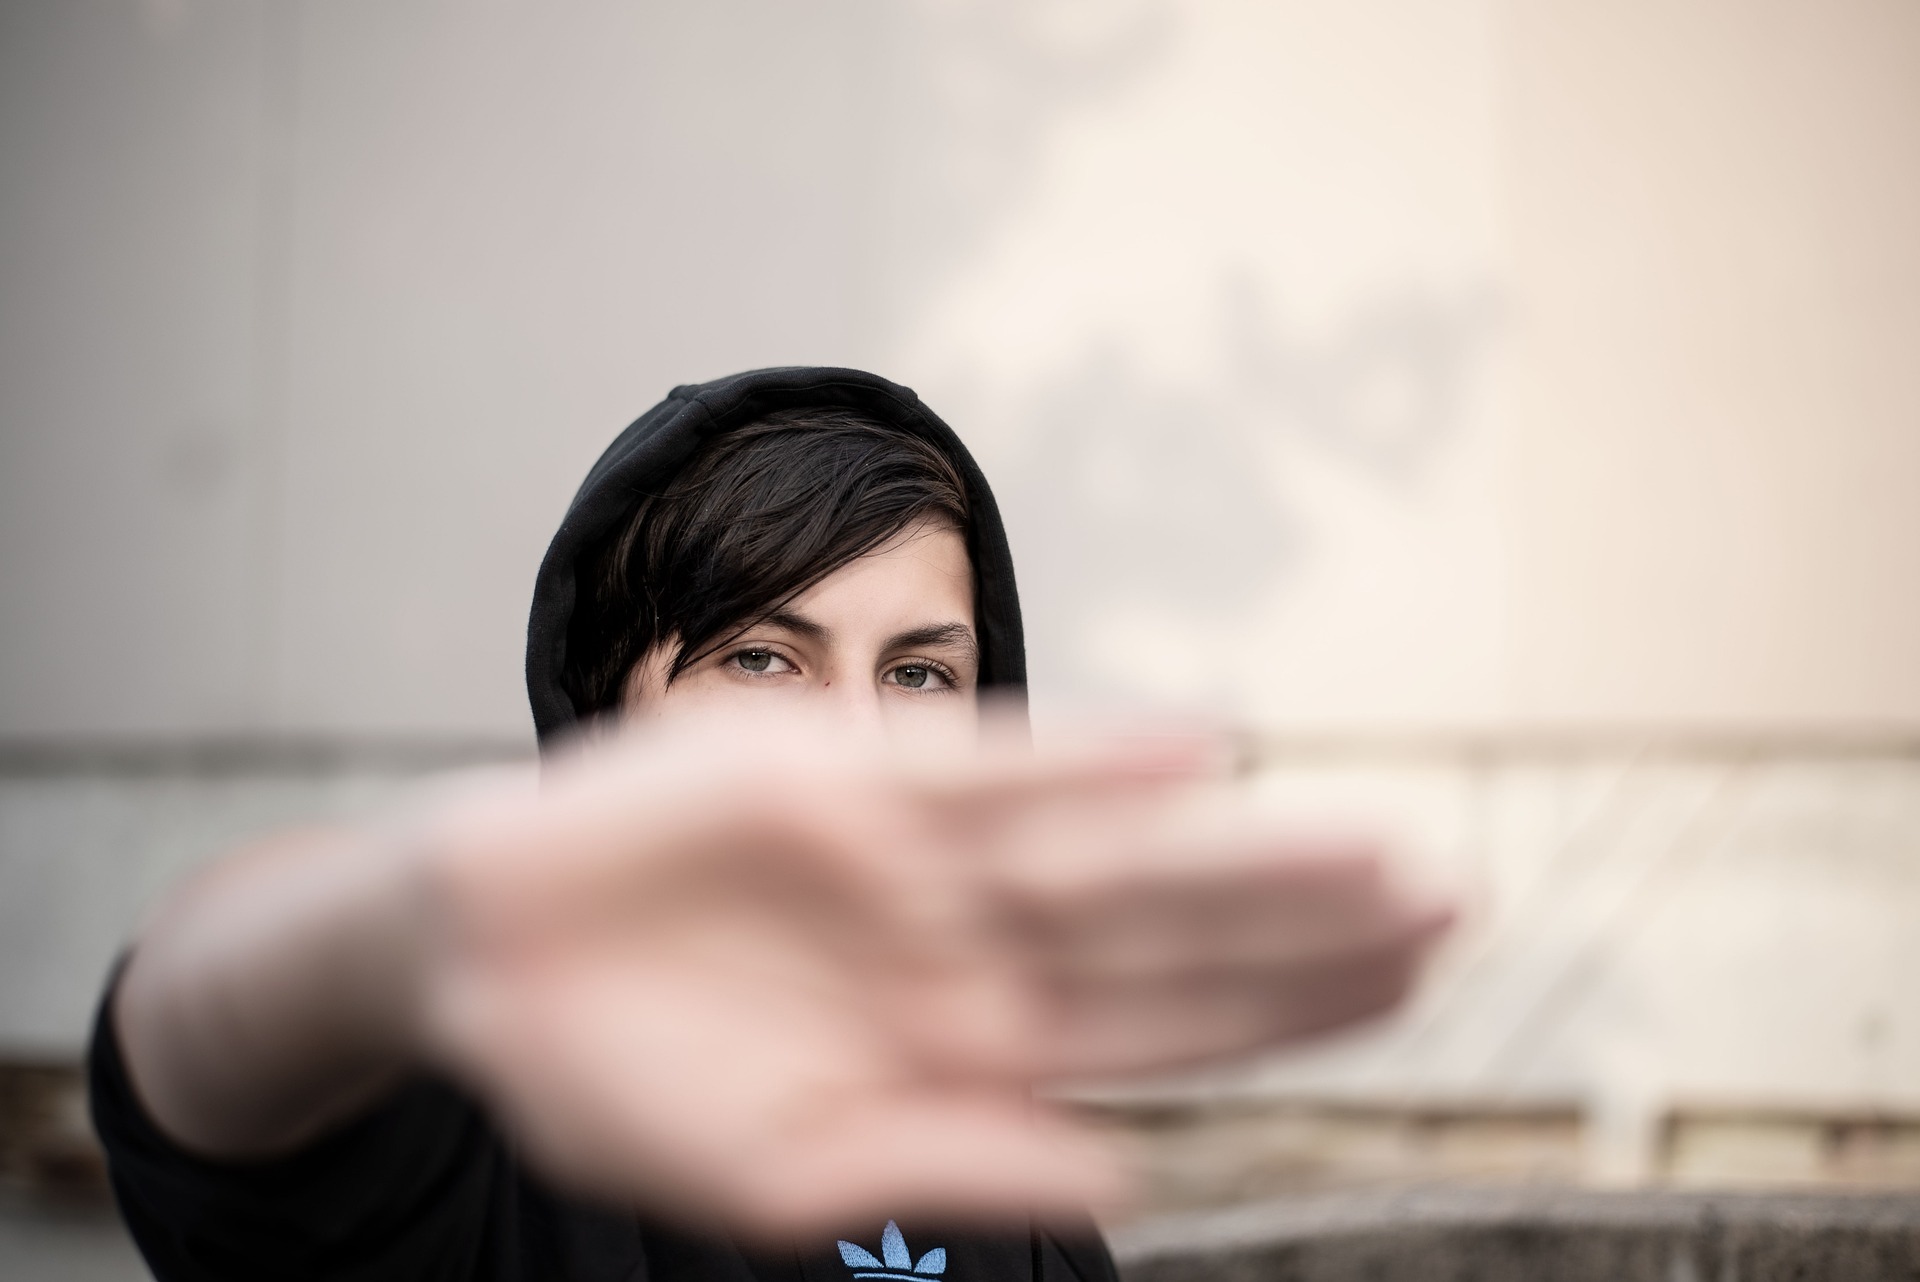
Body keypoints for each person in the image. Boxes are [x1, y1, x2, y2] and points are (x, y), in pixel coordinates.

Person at [90, 367, 1452, 1281]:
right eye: (762, 657)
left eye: (919, 674)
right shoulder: (474, 1123)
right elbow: (205, 1041)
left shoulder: (1007, 1178)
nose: (857, 738)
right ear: (604, 711)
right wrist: (409, 930)